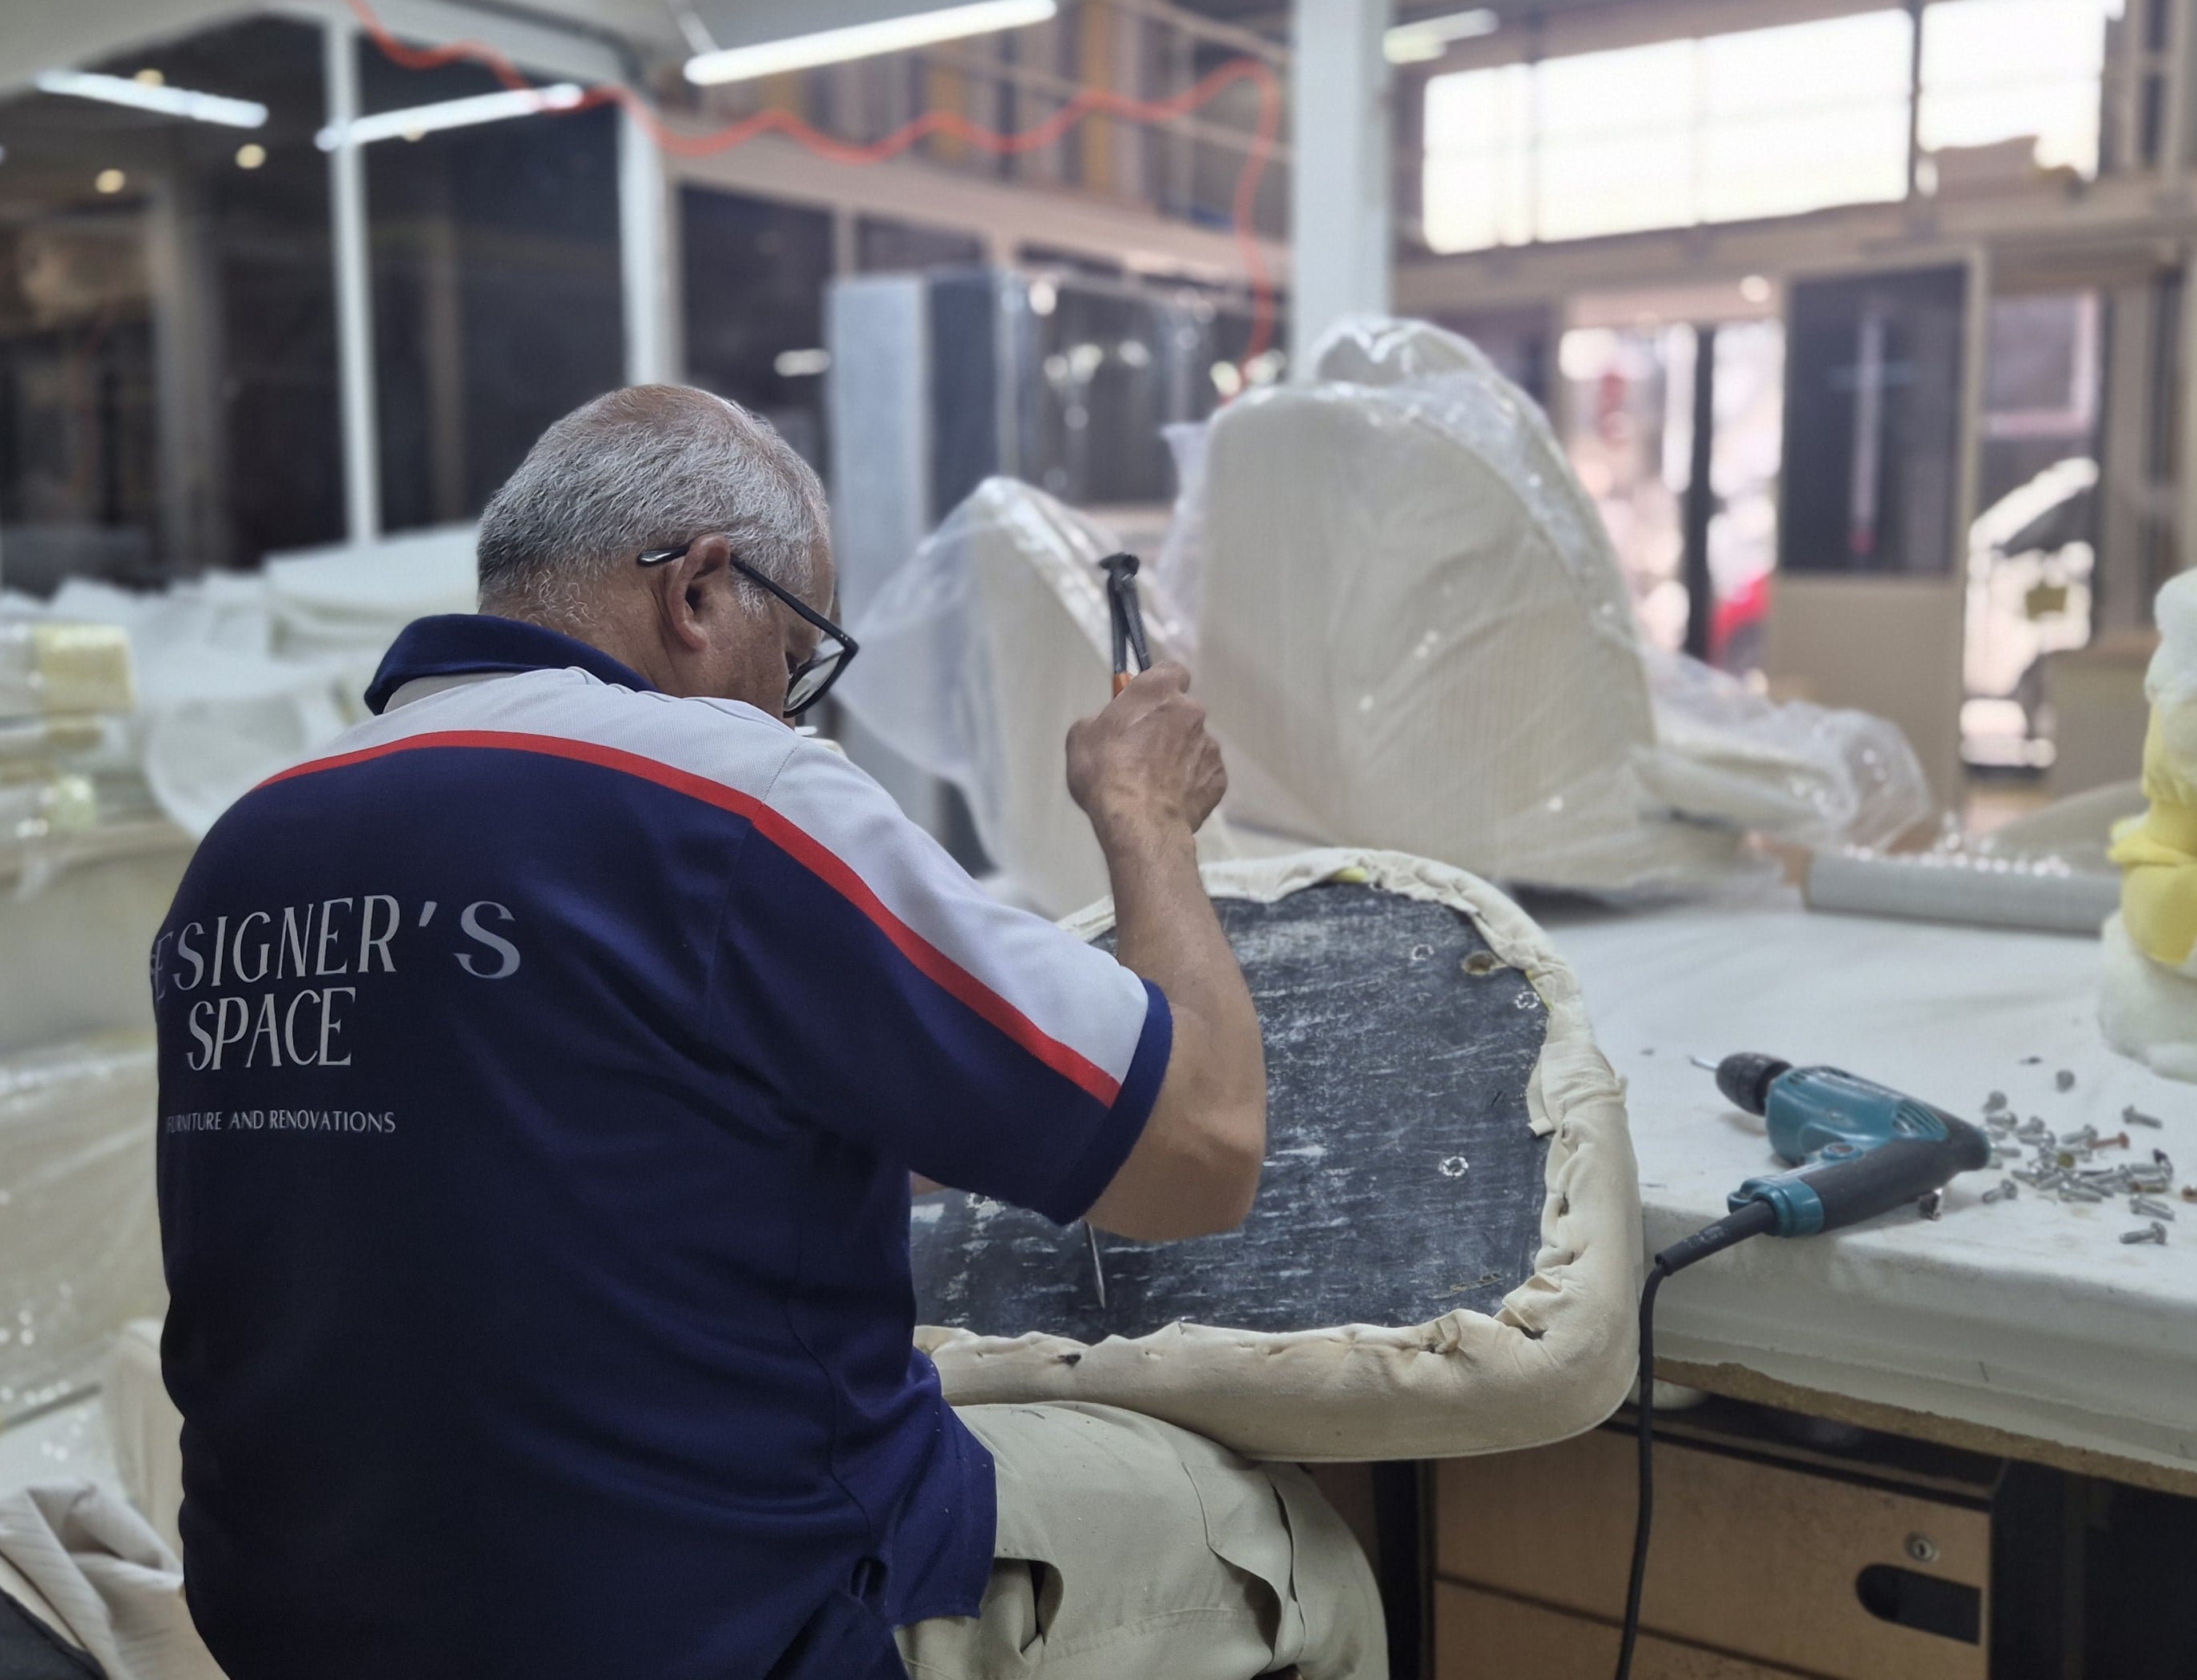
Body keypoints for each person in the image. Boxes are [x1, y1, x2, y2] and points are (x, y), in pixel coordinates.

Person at [151, 384, 1385, 1679]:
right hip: (726, 1620)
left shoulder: (249, 842)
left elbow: (530, 1131)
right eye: (796, 662)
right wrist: (1145, 816)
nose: (791, 709)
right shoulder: (723, 792)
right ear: (698, 590)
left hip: (299, 1624)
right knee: (1290, 1548)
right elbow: (1203, 1142)